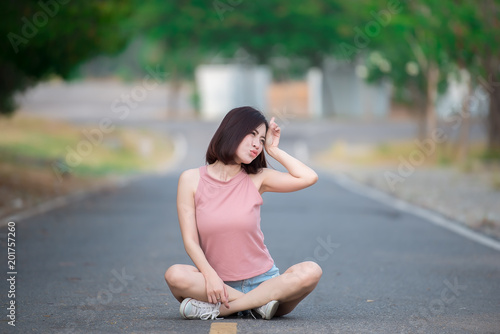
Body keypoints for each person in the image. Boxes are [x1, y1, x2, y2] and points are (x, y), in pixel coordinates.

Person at [164, 106, 322, 320]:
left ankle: (223, 310)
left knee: (311, 271)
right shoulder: (191, 179)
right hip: (219, 285)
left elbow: (309, 177)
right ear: (232, 130)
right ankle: (258, 306)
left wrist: (274, 150)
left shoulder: (259, 177)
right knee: (175, 275)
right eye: (253, 135)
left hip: (266, 283)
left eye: (262, 140)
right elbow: (190, 241)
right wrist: (210, 277)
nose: (258, 144)